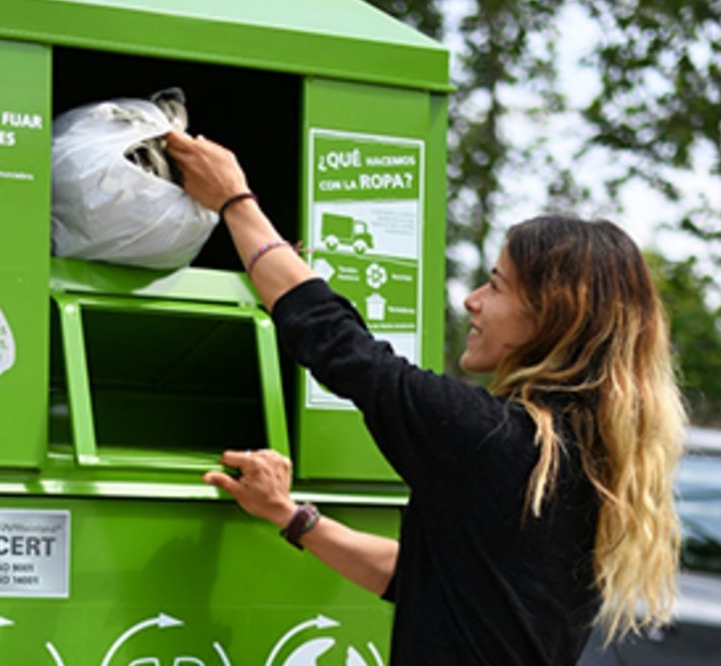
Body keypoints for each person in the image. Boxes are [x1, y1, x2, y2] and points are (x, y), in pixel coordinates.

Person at [163, 130, 685, 664]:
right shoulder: (587, 453)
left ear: (549, 317)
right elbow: (420, 579)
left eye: (496, 286)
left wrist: (234, 201)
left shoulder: (495, 439)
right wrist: (290, 516)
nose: (472, 300)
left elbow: (338, 344)